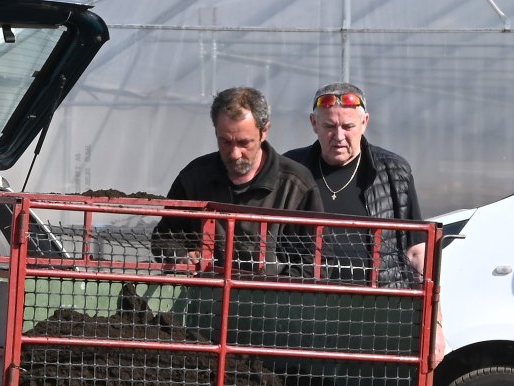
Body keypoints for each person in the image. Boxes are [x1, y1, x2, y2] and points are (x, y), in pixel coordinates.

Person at [153, 87, 321, 274]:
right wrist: (182, 256)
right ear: (215, 130)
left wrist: (276, 291)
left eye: (244, 143)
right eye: (225, 141)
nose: (234, 154)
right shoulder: (194, 178)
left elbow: (316, 260)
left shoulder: (295, 186)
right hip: (205, 299)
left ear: (264, 131)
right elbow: (165, 237)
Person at [283, 82, 426, 285]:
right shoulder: (292, 170)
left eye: (348, 127)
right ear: (314, 123)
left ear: (364, 123)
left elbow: (416, 251)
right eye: (329, 126)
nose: (339, 136)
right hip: (305, 303)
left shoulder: (393, 172)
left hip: (380, 304)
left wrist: (430, 309)